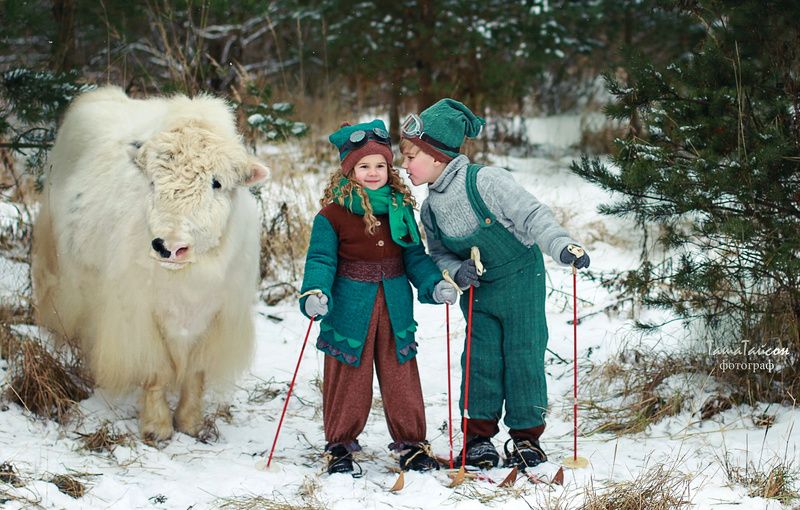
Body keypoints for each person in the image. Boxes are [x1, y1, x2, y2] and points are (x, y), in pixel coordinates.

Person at [399, 99, 591, 470]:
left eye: (410, 157)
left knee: (523, 356)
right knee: (479, 360)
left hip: (521, 279)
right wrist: (456, 271)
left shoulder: (486, 181)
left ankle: (525, 438)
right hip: (480, 292)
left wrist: (561, 245)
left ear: (436, 155)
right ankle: (478, 440)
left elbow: (534, 216)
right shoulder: (430, 208)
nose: (404, 166)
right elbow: (437, 253)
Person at [300, 119, 458, 475]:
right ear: (349, 170)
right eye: (363, 166)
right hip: (349, 306)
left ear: (390, 168)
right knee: (348, 377)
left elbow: (414, 256)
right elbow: (321, 260)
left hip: (395, 305)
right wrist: (314, 291)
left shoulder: (400, 208)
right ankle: (339, 445)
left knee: (401, 375)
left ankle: (412, 445)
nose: (373, 173)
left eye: (380, 165)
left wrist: (434, 284)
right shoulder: (332, 215)